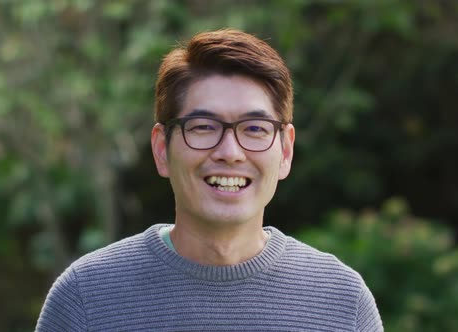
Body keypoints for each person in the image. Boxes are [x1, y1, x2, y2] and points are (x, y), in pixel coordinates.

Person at [36, 28, 383, 332]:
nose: (230, 152)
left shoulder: (342, 302)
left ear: (286, 150)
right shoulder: (86, 298)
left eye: (254, 129)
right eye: (203, 127)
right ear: (161, 149)